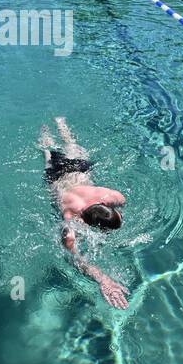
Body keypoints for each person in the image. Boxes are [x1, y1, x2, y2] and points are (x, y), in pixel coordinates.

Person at [39, 117, 130, 309]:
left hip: (72, 171)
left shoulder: (104, 196)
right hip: (65, 174)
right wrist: (103, 280)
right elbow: (75, 258)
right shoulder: (70, 219)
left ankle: (48, 125)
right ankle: (57, 123)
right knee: (55, 149)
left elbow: (121, 202)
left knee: (54, 149)